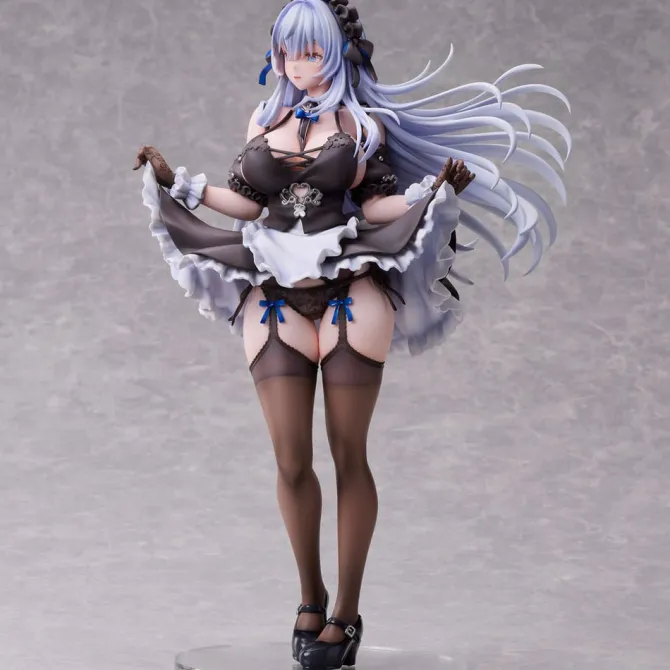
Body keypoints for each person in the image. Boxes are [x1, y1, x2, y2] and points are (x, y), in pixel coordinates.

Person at [133, 1, 571, 667]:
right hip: (274, 294)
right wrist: (178, 185)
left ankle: (346, 612)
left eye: (312, 51)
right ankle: (309, 598)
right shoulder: (264, 119)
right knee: (289, 459)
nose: (298, 64)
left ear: (336, 54)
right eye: (289, 51)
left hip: (350, 291)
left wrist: (430, 195)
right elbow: (246, 202)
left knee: (348, 454)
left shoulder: (361, 126)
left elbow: (377, 204)